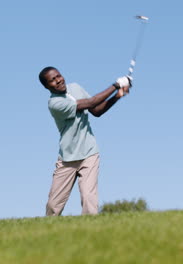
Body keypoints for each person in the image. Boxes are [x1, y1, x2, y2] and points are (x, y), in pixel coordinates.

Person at [39, 66, 131, 216]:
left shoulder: (75, 87)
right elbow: (89, 103)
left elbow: (96, 110)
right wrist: (115, 85)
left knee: (89, 199)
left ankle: (90, 233)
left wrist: (118, 95)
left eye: (58, 76)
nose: (58, 80)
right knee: (53, 205)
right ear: (46, 86)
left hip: (89, 153)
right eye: (52, 80)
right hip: (67, 159)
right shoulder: (54, 103)